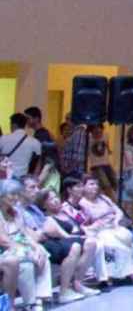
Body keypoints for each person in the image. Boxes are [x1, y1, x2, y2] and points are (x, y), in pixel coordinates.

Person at [22, 180, 95, 304]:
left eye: (37, 187)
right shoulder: (20, 211)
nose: (36, 190)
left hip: (49, 238)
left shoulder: (34, 208)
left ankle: (77, 284)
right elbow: (33, 233)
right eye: (32, 187)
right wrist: (43, 234)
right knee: (76, 246)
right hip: (41, 241)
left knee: (91, 243)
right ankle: (64, 292)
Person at [78, 175, 133, 284]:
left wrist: (116, 221)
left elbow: (118, 211)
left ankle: (128, 272)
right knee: (116, 245)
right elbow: (84, 223)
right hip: (99, 231)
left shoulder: (104, 198)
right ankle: (114, 275)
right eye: (91, 184)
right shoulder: (82, 203)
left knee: (128, 238)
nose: (95, 187)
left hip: (114, 226)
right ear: (83, 187)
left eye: (96, 184)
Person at [0, 179, 52, 308]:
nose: (15, 198)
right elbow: (4, 241)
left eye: (17, 194)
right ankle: (30, 303)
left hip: (19, 246)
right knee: (28, 262)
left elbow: (24, 234)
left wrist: (35, 247)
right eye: (11, 194)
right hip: (5, 249)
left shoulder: (16, 212)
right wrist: (28, 252)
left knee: (42, 253)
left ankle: (39, 297)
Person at [0, 113, 41, 179]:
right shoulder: (35, 142)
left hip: (5, 179)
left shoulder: (3, 139)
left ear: (13, 125)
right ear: (25, 125)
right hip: (22, 180)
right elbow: (38, 163)